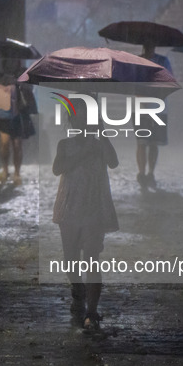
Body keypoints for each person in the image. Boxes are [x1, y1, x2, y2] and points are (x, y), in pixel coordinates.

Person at [52, 105, 119, 331]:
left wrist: (102, 134)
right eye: (77, 116)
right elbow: (57, 168)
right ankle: (78, 290)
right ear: (71, 121)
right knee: (71, 260)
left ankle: (92, 311)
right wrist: (83, 154)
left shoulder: (100, 143)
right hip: (69, 207)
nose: (82, 121)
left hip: (94, 207)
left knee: (91, 258)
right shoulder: (65, 145)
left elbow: (114, 161)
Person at [137, 40, 173, 190]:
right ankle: (142, 173)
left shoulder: (163, 61)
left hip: (158, 107)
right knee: (141, 142)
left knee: (153, 143)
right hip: (141, 106)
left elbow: (169, 81)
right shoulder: (137, 62)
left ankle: (150, 173)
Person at [0, 70, 23, 185]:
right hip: (3, 118)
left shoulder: (17, 84)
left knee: (17, 145)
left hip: (16, 117)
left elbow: (23, 100)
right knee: (4, 143)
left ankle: (17, 173)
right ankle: (5, 170)